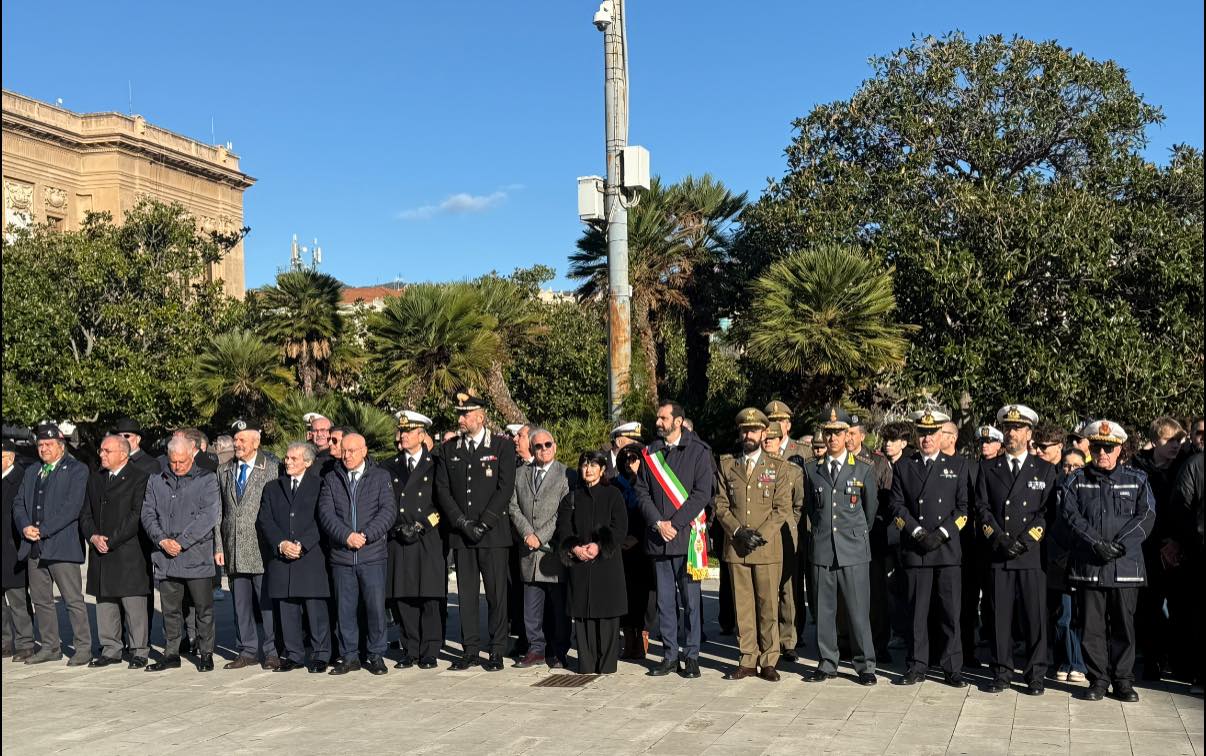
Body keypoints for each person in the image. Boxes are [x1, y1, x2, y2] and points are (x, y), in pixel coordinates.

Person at [1059, 420, 1155, 702]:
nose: (1103, 453)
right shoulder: (1077, 479)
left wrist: (1120, 545)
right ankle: (1097, 679)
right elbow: (1070, 514)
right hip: (1090, 565)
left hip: (1125, 566)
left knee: (1124, 627)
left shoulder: (1138, 479)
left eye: (1109, 448)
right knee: (1091, 627)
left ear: (1119, 449)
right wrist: (1095, 543)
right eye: (1098, 447)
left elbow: (1146, 515)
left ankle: (1123, 681)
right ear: (1091, 448)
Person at [975, 405, 1057, 695]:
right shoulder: (988, 468)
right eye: (1008, 428)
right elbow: (982, 509)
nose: (1012, 433)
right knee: (999, 617)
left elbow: (1047, 512)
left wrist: (1027, 539)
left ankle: (1035, 674)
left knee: (1034, 617)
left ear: (1029, 433)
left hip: (1030, 554)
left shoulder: (1045, 469)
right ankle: (1001, 671)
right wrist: (998, 538)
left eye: (1018, 428)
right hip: (999, 552)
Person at [436, 389, 517, 672]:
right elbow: (443, 490)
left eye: (466, 414)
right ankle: (469, 649)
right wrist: (462, 522)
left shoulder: (502, 447)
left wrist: (485, 522)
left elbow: (504, 487)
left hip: (492, 534)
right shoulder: (449, 450)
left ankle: (496, 649)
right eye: (460, 413)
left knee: (496, 594)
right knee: (467, 593)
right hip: (462, 534)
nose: (461, 418)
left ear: (481, 417)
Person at [889, 410, 971, 687]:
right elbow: (896, 507)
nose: (926, 439)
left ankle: (952, 666)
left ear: (941, 436)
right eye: (922, 433)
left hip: (946, 550)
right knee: (917, 612)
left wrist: (943, 533)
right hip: (916, 548)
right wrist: (917, 531)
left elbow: (963, 510)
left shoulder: (957, 466)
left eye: (932, 433)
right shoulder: (903, 466)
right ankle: (916, 665)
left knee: (949, 612)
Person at [800, 407, 879, 686]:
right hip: (823, 548)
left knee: (858, 610)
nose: (832, 438)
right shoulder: (812, 470)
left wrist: (854, 535)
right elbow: (812, 509)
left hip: (854, 549)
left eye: (838, 432)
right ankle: (827, 661)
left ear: (848, 435)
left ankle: (865, 664)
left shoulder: (863, 469)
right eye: (828, 432)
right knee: (824, 609)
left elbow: (869, 513)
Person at [637, 400, 714, 679]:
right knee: (665, 602)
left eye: (663, 418)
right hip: (659, 540)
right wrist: (659, 523)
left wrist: (675, 524)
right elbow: (642, 492)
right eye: (658, 418)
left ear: (678, 421)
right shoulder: (650, 453)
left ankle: (691, 656)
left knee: (691, 601)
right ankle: (670, 656)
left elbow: (702, 494)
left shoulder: (698, 452)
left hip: (686, 538)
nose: (658, 422)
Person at [714, 408, 791, 681]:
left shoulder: (778, 467)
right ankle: (747, 658)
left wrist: (760, 533)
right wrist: (737, 530)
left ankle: (769, 660)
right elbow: (720, 504)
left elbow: (782, 508)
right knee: (743, 607)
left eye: (754, 430)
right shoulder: (727, 465)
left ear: (763, 433)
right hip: (737, 547)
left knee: (768, 605)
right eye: (745, 430)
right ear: (740, 433)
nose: (749, 435)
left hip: (765, 548)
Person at [13, 422, 93, 666]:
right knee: (41, 600)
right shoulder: (32, 471)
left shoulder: (77, 469)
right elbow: (19, 503)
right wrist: (25, 526)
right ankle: (50, 646)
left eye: (48, 444)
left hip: (62, 546)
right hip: (34, 547)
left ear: (61, 445)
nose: (43, 449)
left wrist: (43, 530)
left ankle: (83, 648)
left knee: (73, 600)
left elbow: (71, 507)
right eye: (40, 444)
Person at [141, 437, 221, 672]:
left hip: (196, 555)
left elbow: (208, 517)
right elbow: (148, 513)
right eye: (173, 461)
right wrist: (162, 540)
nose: (177, 466)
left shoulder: (206, 479)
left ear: (192, 455)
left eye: (182, 462)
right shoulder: (157, 480)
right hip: (166, 556)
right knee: (170, 609)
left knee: (203, 608)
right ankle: (172, 652)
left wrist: (181, 542)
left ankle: (206, 652)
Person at [318, 433, 395, 676]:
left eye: (352, 451)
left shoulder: (380, 477)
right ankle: (349, 655)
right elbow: (326, 513)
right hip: (342, 556)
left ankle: (376, 655)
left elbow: (388, 511)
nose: (347, 455)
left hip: (372, 555)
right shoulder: (331, 478)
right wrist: (345, 536)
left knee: (374, 608)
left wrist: (365, 535)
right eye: (344, 451)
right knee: (345, 609)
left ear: (364, 451)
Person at [257, 441, 331, 673]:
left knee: (315, 610)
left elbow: (323, 519)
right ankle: (294, 654)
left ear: (307, 462)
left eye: (293, 458)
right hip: (282, 557)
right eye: (286, 458)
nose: (287, 461)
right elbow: (265, 520)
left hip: (309, 557)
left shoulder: (320, 485)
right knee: (287, 610)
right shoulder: (273, 487)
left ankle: (320, 654)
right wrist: (281, 543)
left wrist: (303, 544)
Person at [81, 434, 153, 668]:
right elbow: (85, 513)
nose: (101, 454)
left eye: (106, 451)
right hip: (100, 550)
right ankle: (110, 648)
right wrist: (92, 535)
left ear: (123, 453)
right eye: (101, 450)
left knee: (133, 605)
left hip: (127, 551)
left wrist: (111, 540)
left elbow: (136, 515)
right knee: (105, 602)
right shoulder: (96, 478)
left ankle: (139, 650)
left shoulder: (139, 477)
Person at [1131, 416, 1193, 681]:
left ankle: (1180, 662)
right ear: (1156, 440)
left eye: (1179, 440)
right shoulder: (1138, 468)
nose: (1175, 445)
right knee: (1149, 608)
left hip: (1179, 547)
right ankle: (1152, 658)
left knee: (1181, 608)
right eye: (1169, 440)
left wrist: (1176, 542)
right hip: (1148, 548)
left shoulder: (1185, 466)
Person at [215, 419, 281, 671]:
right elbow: (219, 512)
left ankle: (273, 650)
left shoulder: (272, 467)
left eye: (242, 439)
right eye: (235, 439)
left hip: (262, 548)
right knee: (240, 603)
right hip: (233, 547)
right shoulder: (224, 470)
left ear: (256, 441)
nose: (237, 444)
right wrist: (219, 546)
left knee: (267, 603)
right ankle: (247, 649)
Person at [383, 411, 446, 670]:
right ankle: (409, 648)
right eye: (402, 431)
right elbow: (385, 502)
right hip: (399, 538)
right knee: (404, 596)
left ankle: (430, 649)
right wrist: (397, 528)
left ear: (422, 435)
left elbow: (443, 503)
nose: (404, 436)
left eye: (409, 431)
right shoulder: (389, 465)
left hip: (427, 538)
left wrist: (419, 526)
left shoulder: (436, 465)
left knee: (429, 596)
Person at [557, 449, 628, 674]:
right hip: (581, 565)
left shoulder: (613, 494)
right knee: (583, 615)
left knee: (607, 615)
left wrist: (599, 545)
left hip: (606, 565)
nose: (588, 469)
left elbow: (620, 527)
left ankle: (607, 664)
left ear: (603, 469)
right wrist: (575, 547)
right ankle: (586, 663)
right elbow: (564, 528)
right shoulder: (572, 498)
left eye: (593, 465)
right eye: (585, 465)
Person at [508, 427, 571, 669]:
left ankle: (558, 649)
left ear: (554, 446)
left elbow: (562, 513)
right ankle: (535, 649)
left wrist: (540, 536)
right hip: (528, 550)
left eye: (548, 444)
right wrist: (527, 534)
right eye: (538, 446)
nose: (543, 449)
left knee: (557, 607)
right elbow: (513, 506)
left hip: (551, 552)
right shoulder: (519, 473)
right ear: (532, 449)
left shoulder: (566, 474)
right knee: (531, 606)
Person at [845, 414, 893, 661]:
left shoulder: (877, 462)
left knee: (876, 595)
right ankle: (846, 643)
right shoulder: (838, 461)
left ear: (862, 436)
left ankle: (879, 644)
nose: (849, 438)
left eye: (853, 433)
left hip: (872, 538)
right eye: (846, 433)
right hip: (844, 539)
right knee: (845, 595)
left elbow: (886, 501)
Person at [761, 422, 804, 663]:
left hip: (786, 534)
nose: (769, 442)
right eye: (766, 438)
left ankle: (788, 641)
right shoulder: (754, 468)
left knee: (787, 589)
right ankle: (768, 639)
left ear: (781, 441)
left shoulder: (792, 471)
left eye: (773, 438)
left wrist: (791, 526)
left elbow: (798, 505)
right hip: (762, 535)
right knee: (766, 590)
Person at [1049, 448, 1088, 685]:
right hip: (1059, 562)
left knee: (1080, 616)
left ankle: (1079, 663)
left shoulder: (1089, 492)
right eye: (1066, 465)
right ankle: (1064, 660)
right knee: (1063, 615)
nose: (1069, 470)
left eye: (1075, 466)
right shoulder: (1054, 490)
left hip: (1083, 562)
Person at [613, 445, 653, 661]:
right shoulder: (615, 485)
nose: (630, 463)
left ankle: (642, 637)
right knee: (625, 594)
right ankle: (628, 638)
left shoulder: (649, 483)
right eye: (626, 459)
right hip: (622, 548)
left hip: (644, 547)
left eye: (635, 459)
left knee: (644, 596)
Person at [2, 440, 35, 662]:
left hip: (12, 547)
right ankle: (4, 642)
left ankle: (25, 643)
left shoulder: (21, 478)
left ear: (10, 458)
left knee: (17, 599)